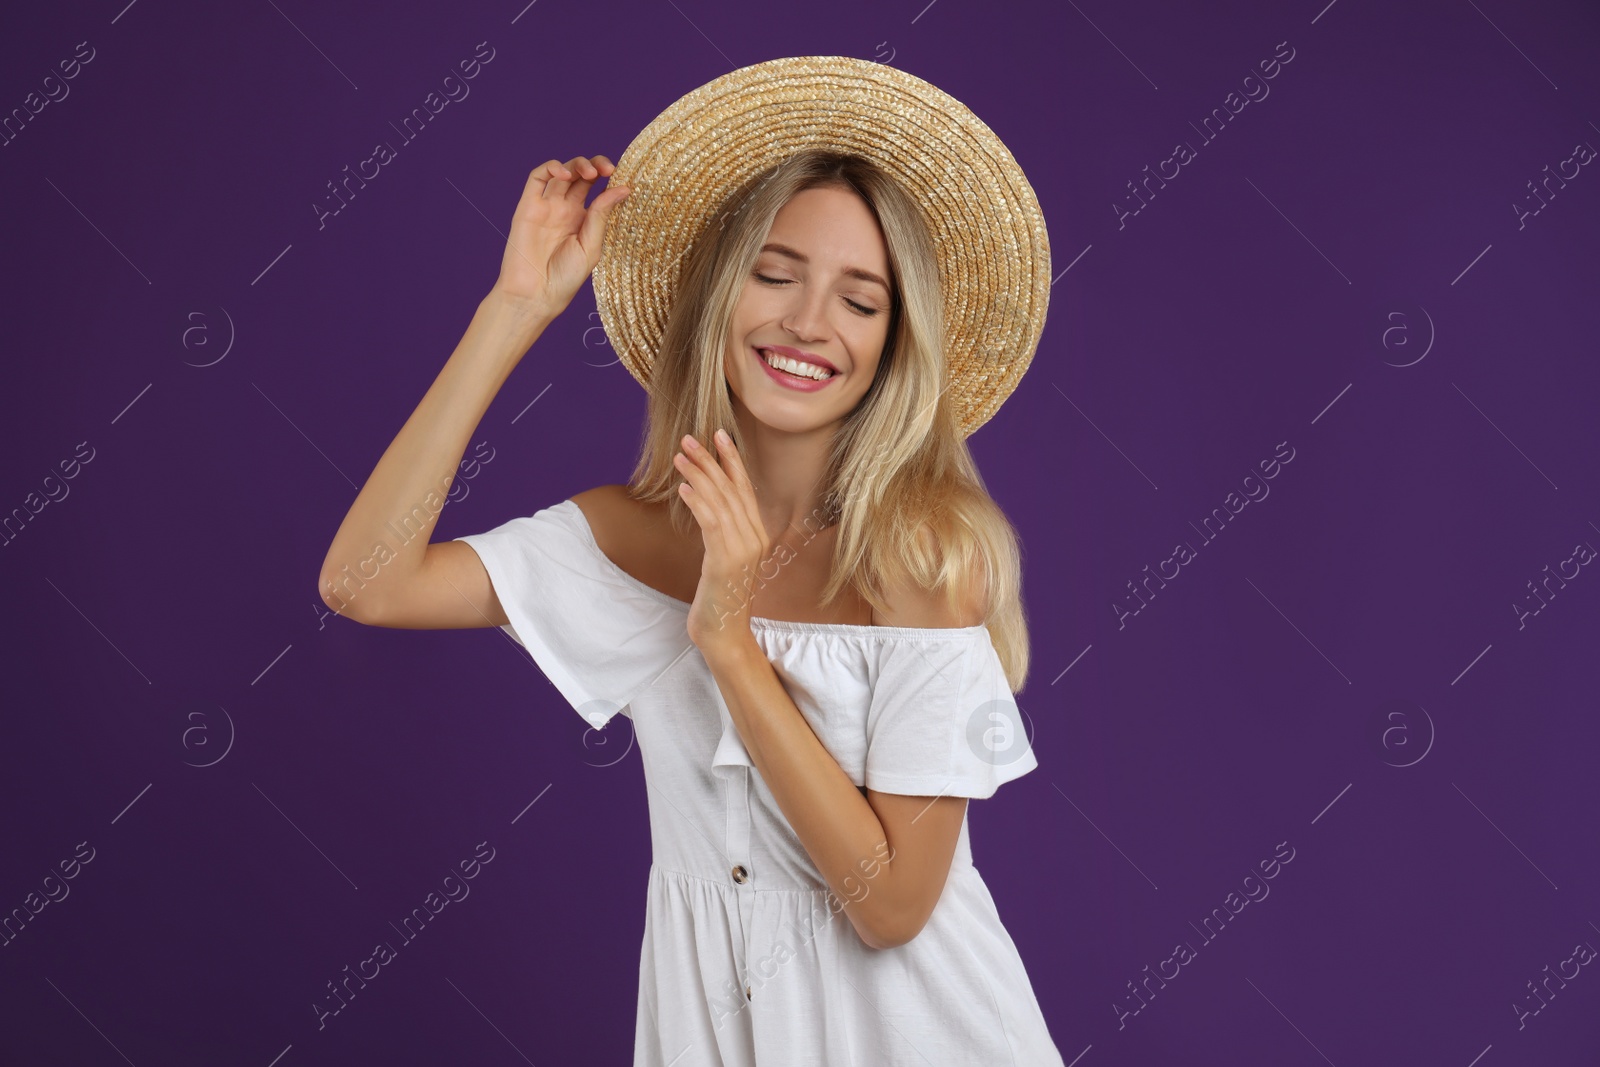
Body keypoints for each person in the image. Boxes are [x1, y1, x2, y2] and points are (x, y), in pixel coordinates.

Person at [318, 56, 1061, 1066]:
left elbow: (890, 905)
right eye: (775, 272)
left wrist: (728, 641)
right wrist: (514, 310)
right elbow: (364, 582)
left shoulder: (921, 560)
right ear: (722, 292)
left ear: (894, 343)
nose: (806, 322)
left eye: (860, 298)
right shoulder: (633, 537)